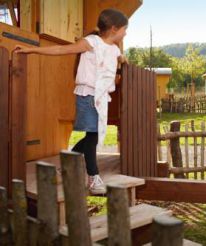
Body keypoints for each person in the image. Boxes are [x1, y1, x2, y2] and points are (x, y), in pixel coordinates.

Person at [16, 8, 129, 194]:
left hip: (101, 98)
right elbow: (61, 49)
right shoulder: (91, 42)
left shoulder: (115, 49)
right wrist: (31, 50)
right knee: (93, 136)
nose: (126, 33)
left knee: (92, 136)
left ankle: (65, 162)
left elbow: (116, 60)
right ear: (114, 29)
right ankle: (93, 178)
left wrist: (122, 59)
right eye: (125, 29)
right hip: (87, 96)